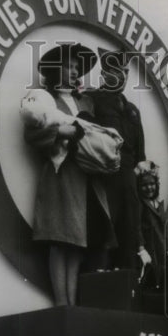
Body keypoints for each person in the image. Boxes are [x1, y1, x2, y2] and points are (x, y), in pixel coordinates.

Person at [20, 42, 118, 306]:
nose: (75, 72)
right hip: (61, 175)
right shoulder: (43, 99)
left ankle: (71, 303)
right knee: (59, 237)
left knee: (77, 240)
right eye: (69, 66)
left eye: (77, 67)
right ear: (55, 70)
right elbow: (31, 133)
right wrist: (62, 132)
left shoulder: (85, 101)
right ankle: (61, 303)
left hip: (87, 175)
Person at [88, 49, 148, 272]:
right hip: (104, 176)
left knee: (130, 233)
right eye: (117, 71)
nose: (122, 76)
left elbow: (140, 157)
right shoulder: (92, 100)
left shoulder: (132, 110)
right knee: (104, 233)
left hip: (128, 181)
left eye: (125, 72)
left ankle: (128, 290)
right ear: (105, 73)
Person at [135, 160, 168, 290]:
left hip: (161, 253)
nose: (149, 187)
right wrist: (141, 250)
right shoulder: (140, 204)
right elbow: (136, 227)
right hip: (148, 253)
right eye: (144, 185)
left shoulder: (159, 204)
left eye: (152, 184)